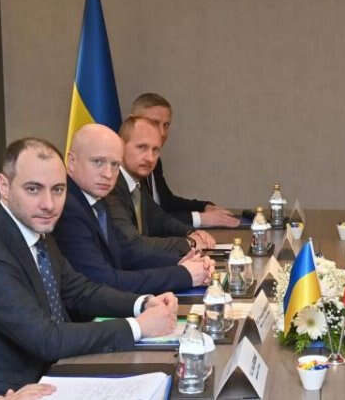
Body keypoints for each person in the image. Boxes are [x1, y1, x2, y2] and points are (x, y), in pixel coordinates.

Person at [0, 138, 178, 398]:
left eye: (58, 190)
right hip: (6, 390)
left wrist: (143, 304)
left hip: (51, 372)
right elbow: (45, 338)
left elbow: (79, 291)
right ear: (4, 186)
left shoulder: (33, 228)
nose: (49, 204)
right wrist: (138, 327)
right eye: (33, 189)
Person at [53, 124, 214, 294]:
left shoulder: (98, 200)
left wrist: (182, 264)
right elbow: (105, 281)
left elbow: (123, 257)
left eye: (115, 164)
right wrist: (183, 274)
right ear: (71, 161)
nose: (108, 174)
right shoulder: (67, 208)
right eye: (98, 162)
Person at [106, 116, 216, 257]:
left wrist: (191, 233)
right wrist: (189, 243)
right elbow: (131, 245)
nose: (150, 158)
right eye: (142, 147)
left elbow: (159, 219)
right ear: (120, 146)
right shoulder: (110, 186)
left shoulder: (136, 182)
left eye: (155, 150)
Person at [130, 92, 239, 227]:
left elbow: (166, 202)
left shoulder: (155, 160)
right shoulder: (123, 164)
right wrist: (201, 218)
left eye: (166, 125)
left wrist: (204, 207)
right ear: (132, 122)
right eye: (154, 123)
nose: (162, 133)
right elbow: (147, 219)